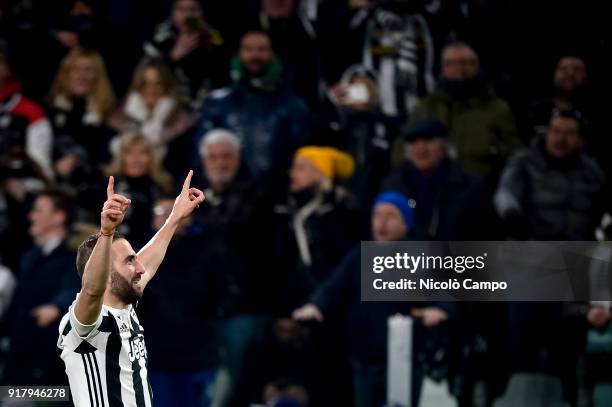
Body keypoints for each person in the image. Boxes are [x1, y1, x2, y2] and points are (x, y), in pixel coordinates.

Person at [57, 170, 204, 407]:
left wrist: (175, 217)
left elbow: (150, 259)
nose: (140, 268)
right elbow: (92, 290)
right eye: (129, 261)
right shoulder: (86, 323)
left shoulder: (125, 304)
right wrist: (106, 233)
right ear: (104, 273)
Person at [293, 191, 452, 407]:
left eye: (391, 216)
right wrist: (315, 305)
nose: (382, 223)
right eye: (377, 215)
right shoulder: (360, 255)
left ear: (406, 223)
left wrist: (440, 310)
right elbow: (333, 286)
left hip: (407, 359)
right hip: (365, 359)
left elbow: (446, 293)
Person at [194, 129, 274, 407]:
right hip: (203, 311)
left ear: (239, 159)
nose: (220, 163)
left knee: (235, 389)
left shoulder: (258, 196)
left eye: (226, 156)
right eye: (213, 157)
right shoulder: (195, 199)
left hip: (244, 309)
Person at [197, 30, 310, 196]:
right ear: (239, 53)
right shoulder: (218, 103)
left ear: (272, 53)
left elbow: (303, 150)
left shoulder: (292, 104)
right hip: (228, 196)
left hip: (277, 194)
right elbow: (201, 154)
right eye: (248, 49)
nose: (255, 55)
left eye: (261, 49)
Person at [138, 196, 217, 407]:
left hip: (199, 350)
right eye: (161, 214)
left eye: (174, 214)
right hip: (157, 354)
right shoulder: (139, 256)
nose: (168, 220)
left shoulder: (207, 249)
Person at [406, 41, 520, 180]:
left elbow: (514, 157)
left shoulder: (498, 109)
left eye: (467, 63)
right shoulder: (424, 108)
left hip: (483, 190)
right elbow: (402, 150)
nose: (460, 69)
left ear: (477, 67)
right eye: (452, 63)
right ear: (443, 68)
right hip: (430, 189)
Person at [4, 189, 80, 386]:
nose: (31, 216)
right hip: (21, 356)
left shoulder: (75, 255)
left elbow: (76, 287)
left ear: (58, 217)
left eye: (38, 210)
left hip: (54, 360)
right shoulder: (29, 256)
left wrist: (56, 306)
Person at [494, 108, 605, 241]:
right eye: (556, 131)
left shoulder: (590, 169)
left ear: (580, 139)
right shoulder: (525, 161)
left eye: (569, 133)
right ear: (547, 133)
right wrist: (511, 213)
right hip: (532, 246)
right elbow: (506, 192)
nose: (561, 139)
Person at [382, 119, 484, 240]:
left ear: (443, 147)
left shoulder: (470, 188)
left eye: (428, 140)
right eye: (413, 142)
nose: (421, 148)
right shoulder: (394, 185)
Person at [107, 58, 195, 160]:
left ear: (167, 86)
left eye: (157, 84)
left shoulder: (182, 123)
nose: (151, 90)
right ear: (138, 85)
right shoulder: (117, 117)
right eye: (145, 83)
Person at [143, 0, 228, 104]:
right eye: (181, 9)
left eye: (193, 10)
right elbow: (145, 76)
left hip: (208, 104)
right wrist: (172, 56)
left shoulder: (213, 36)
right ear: (172, 12)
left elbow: (225, 76)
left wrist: (210, 47)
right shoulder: (158, 38)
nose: (188, 15)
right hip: (168, 103)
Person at [361, 0, 436, 117]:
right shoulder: (375, 21)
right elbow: (370, 58)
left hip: (419, 102)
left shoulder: (420, 20)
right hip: (384, 103)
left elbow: (427, 58)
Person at [47, 48, 116, 172]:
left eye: (88, 70)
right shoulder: (49, 111)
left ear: (98, 76)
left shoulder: (109, 115)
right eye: (76, 69)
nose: (81, 76)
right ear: (66, 74)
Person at [104, 133, 174, 249]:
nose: (136, 159)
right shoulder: (107, 183)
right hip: (110, 249)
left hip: (150, 250)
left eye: (143, 153)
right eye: (129, 153)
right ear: (121, 157)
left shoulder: (163, 187)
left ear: (151, 158)